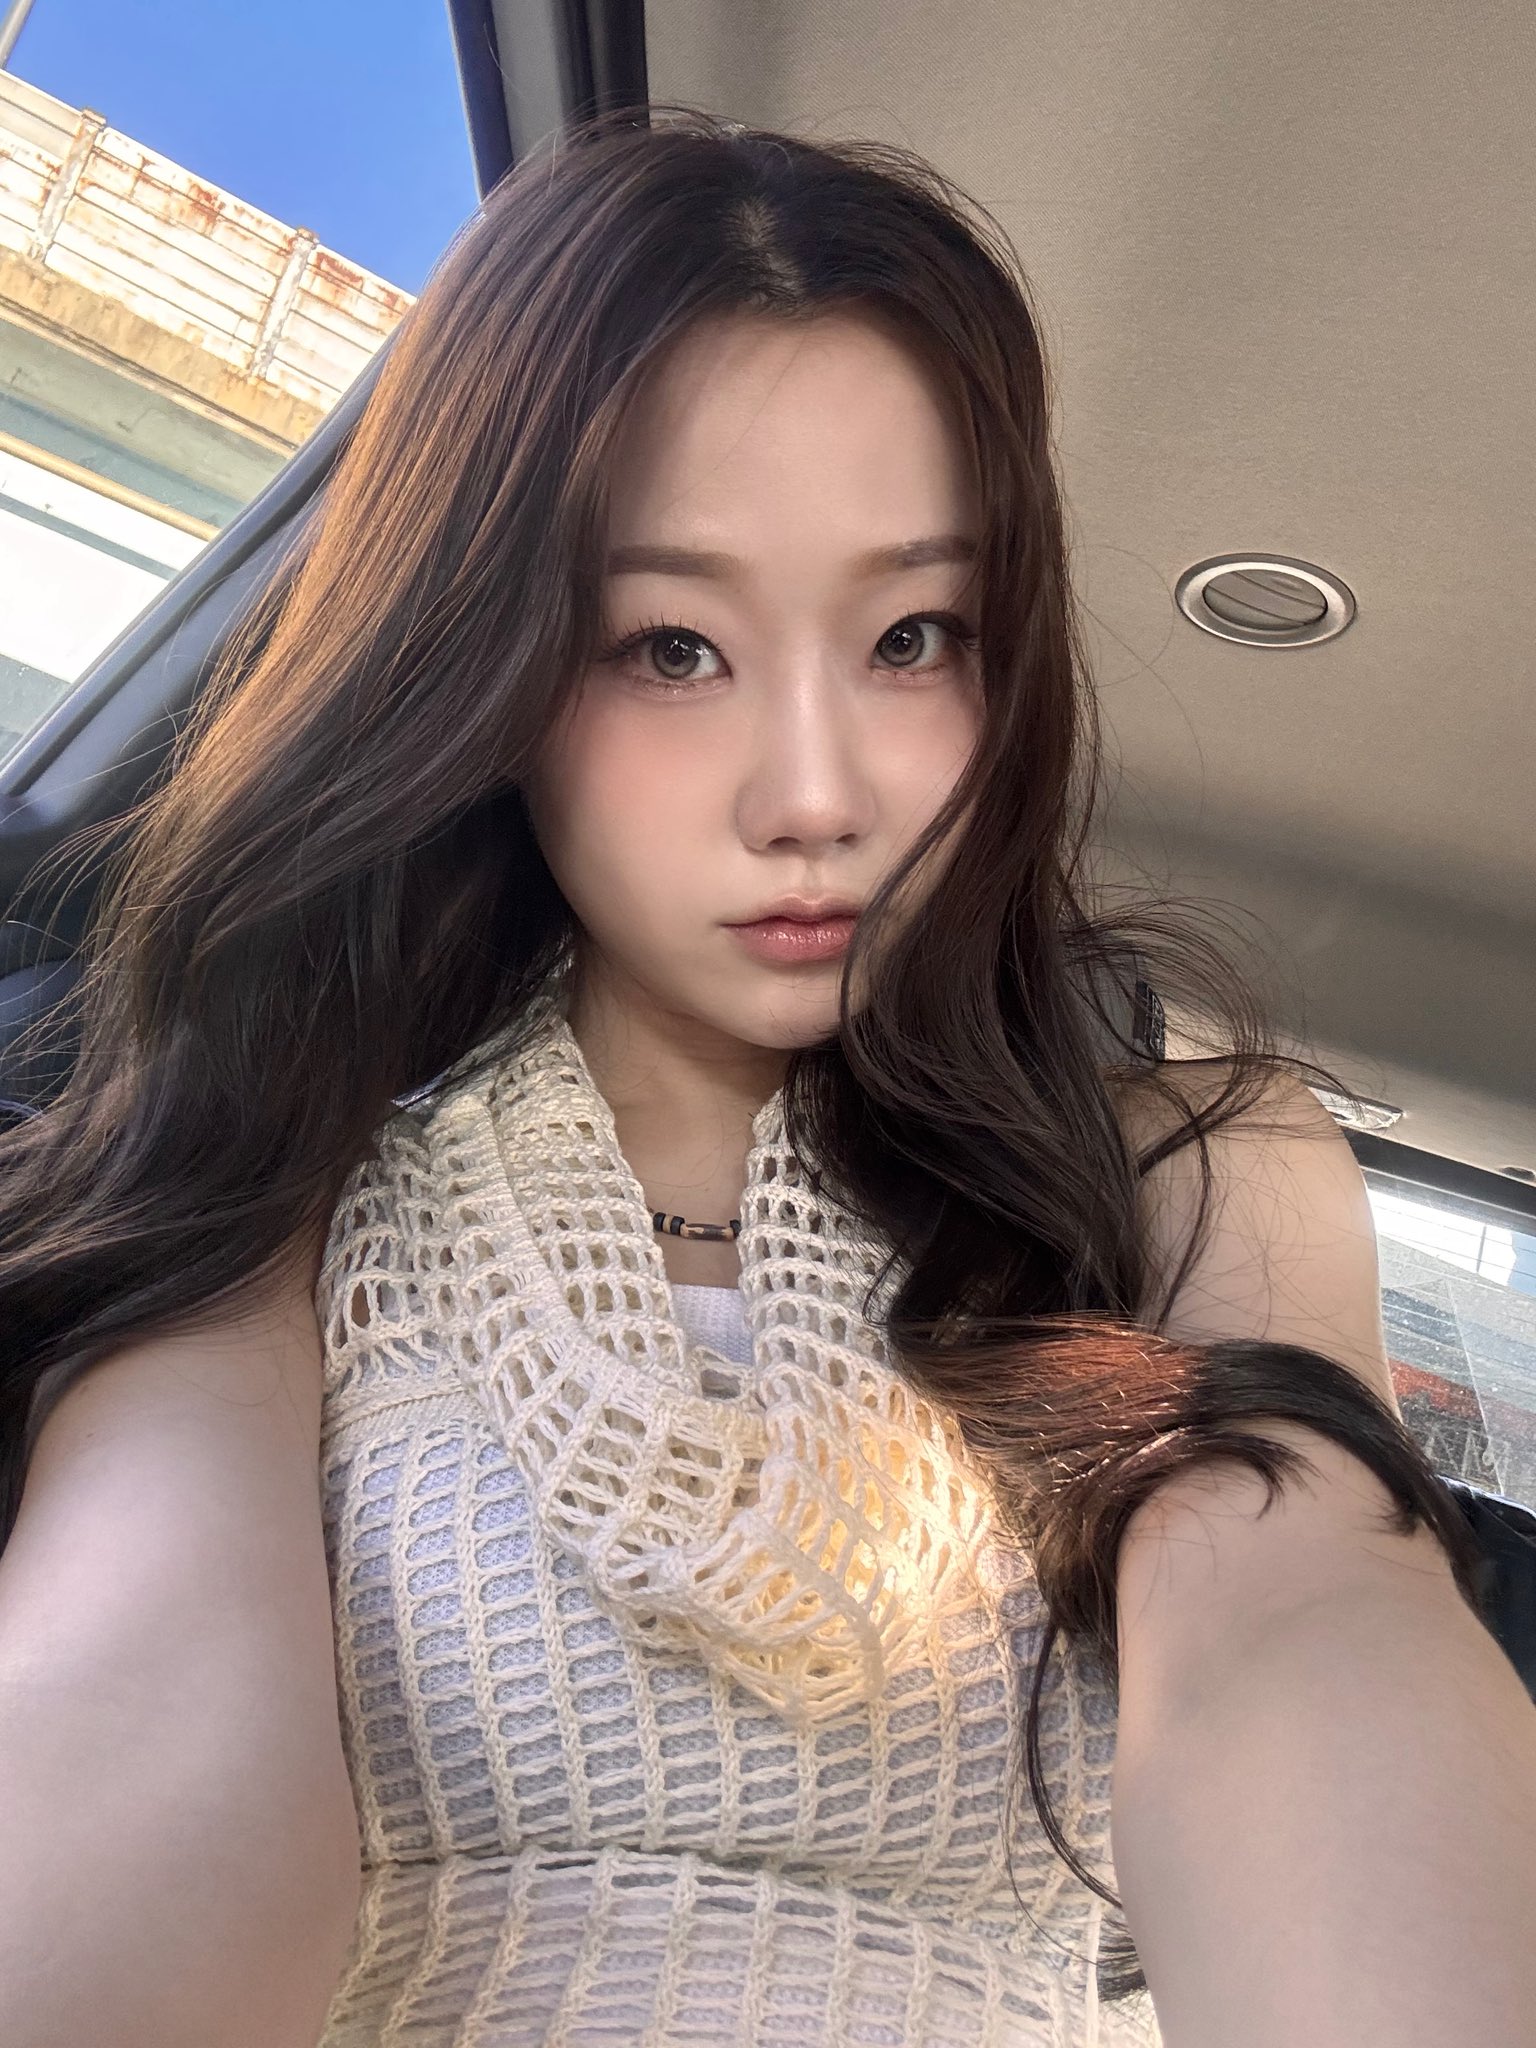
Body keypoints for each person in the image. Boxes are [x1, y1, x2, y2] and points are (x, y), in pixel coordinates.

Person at [1, 104, 1533, 2048]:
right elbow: (140, 1709)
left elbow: (1300, 1635)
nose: (817, 794)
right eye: (668, 646)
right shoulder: (288, 1179)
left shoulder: (1186, 1175)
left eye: (913, 635)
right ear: (490, 663)